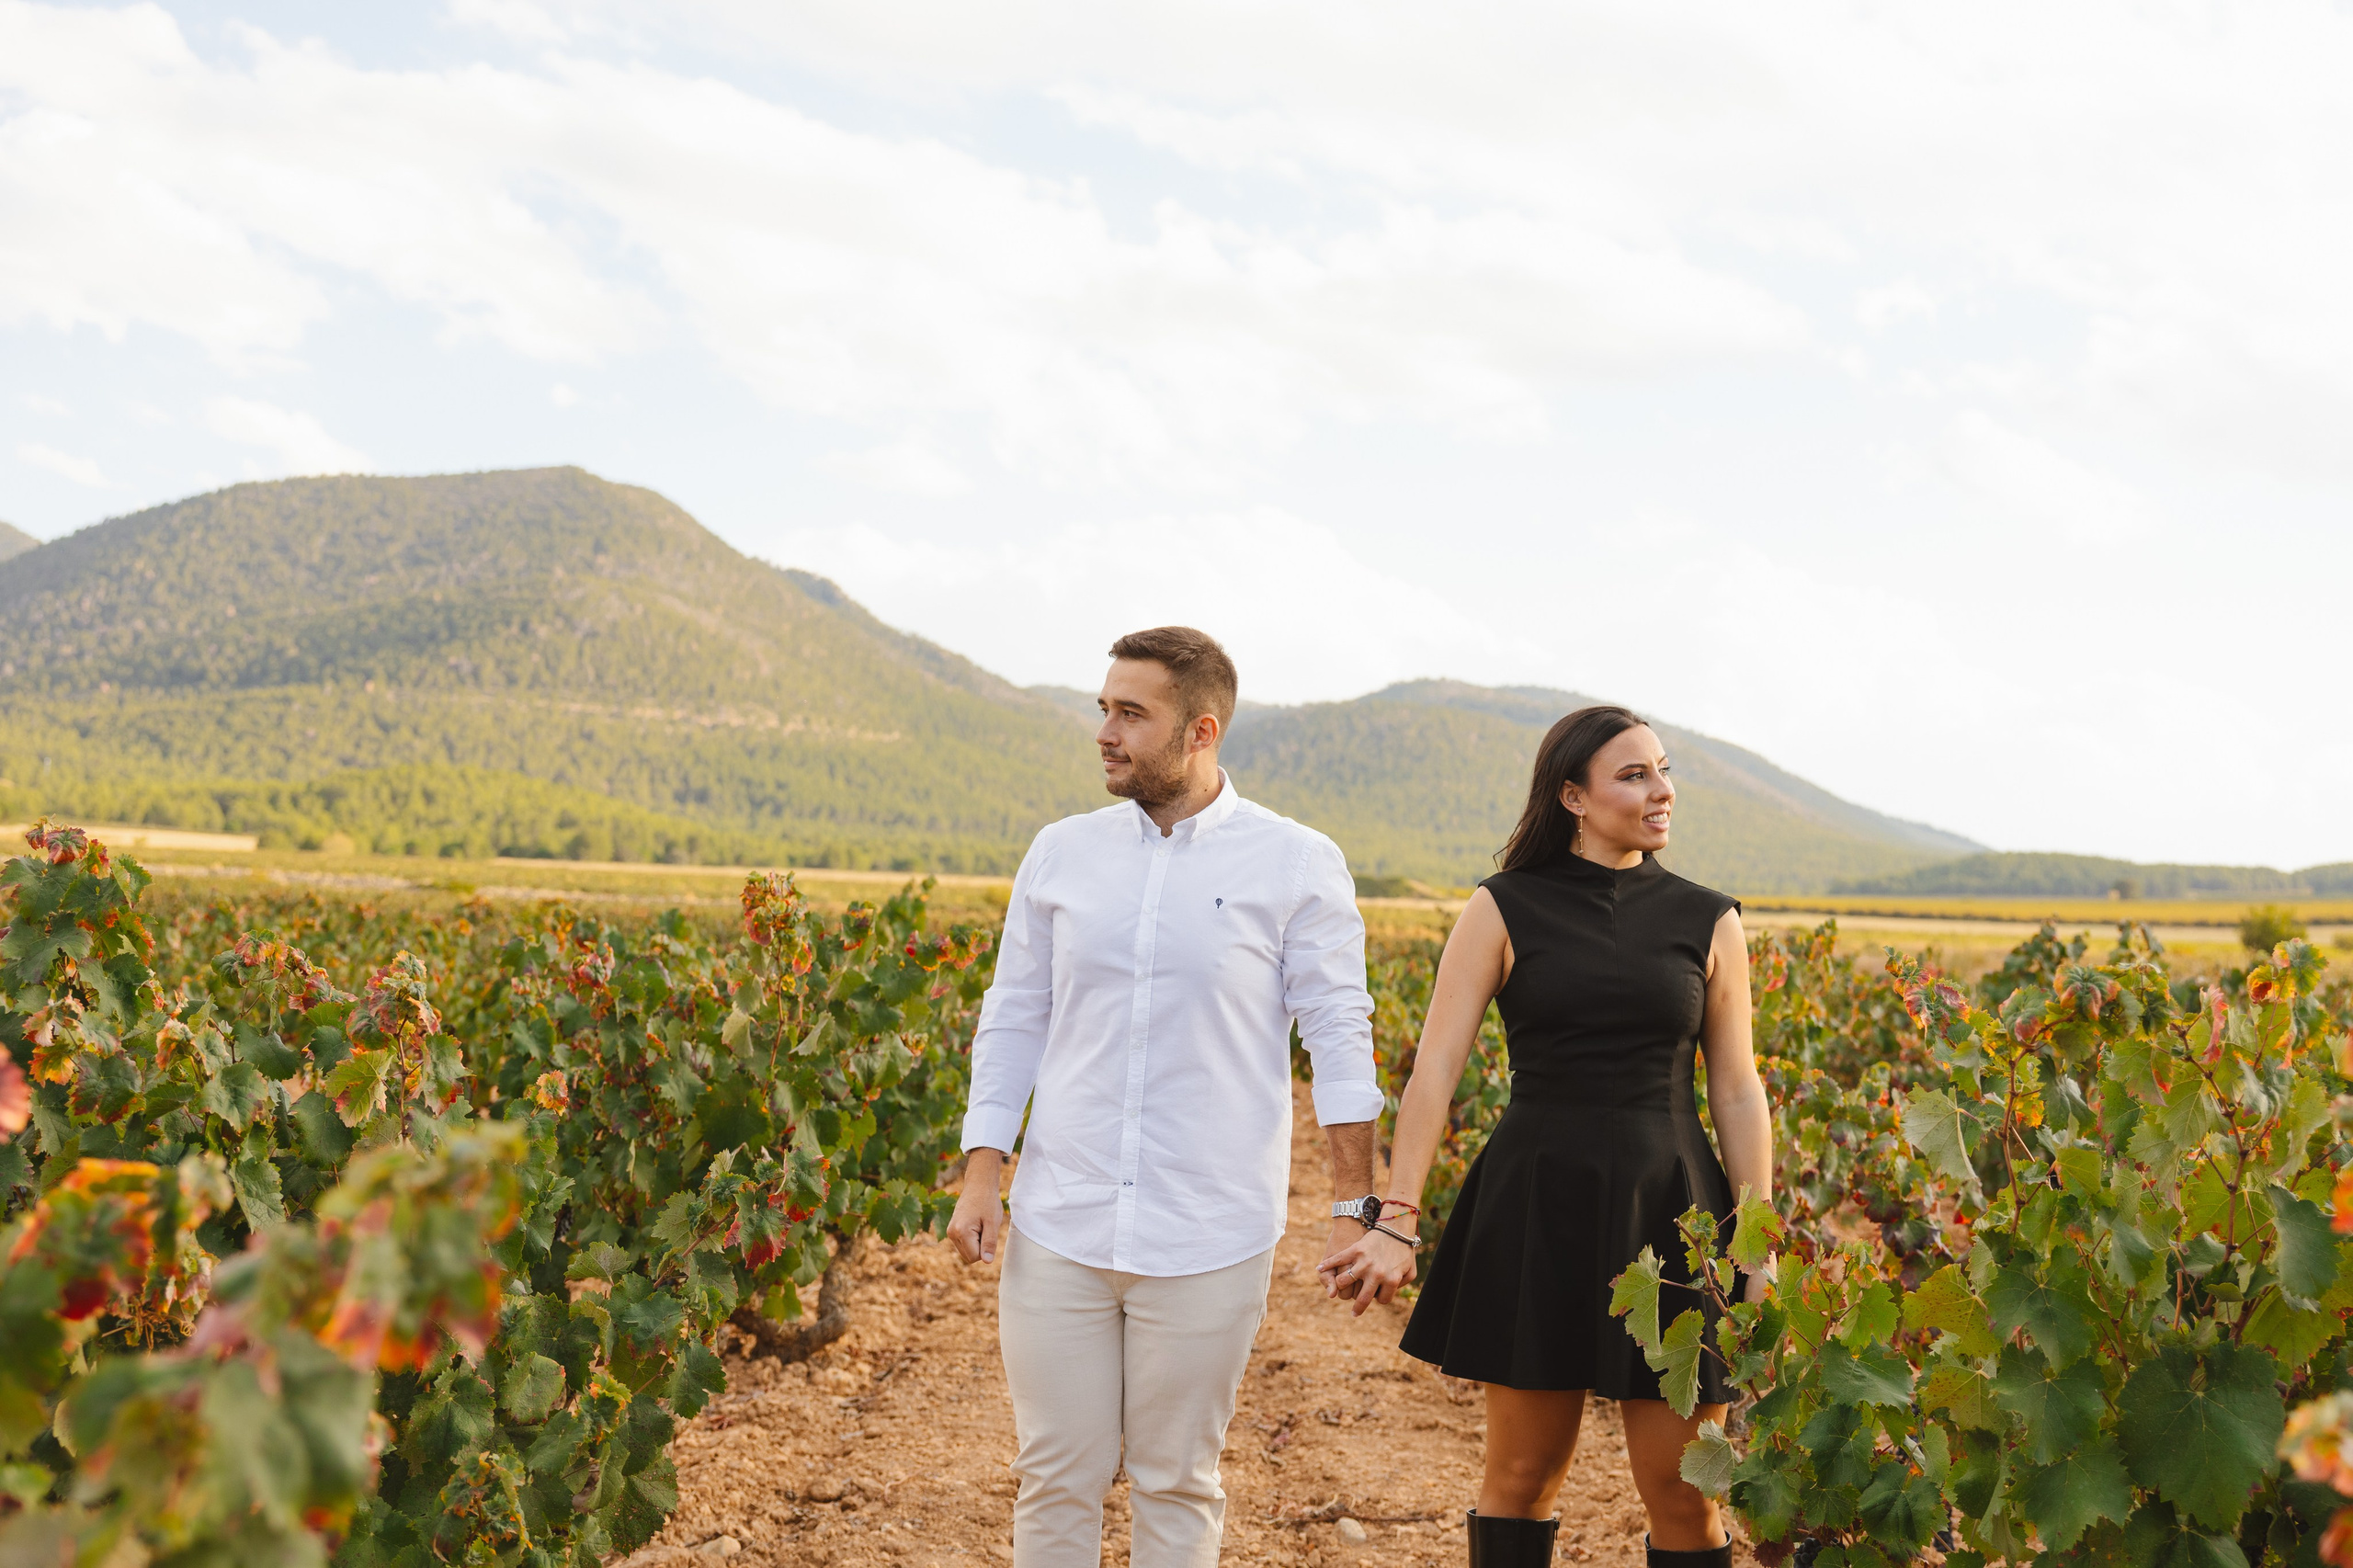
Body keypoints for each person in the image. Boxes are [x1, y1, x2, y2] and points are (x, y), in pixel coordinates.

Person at [946, 626, 1386, 1568]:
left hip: (1209, 1231)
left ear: (1200, 730)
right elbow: (1014, 1014)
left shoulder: (1295, 861)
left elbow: (1340, 1040)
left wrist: (1354, 1208)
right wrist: (983, 1170)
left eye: (1129, 714)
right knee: (1054, 1472)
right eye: (1103, 707)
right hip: (1061, 1219)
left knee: (1178, 1477)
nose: (1105, 730)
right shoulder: (1061, 854)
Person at [1318, 705, 1774, 1568]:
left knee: (1682, 1488)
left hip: (1672, 1210)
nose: (1661, 791)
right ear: (1572, 795)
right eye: (1633, 775)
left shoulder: (1710, 918)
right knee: (1522, 1477)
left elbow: (1738, 1090)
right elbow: (1435, 1071)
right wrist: (1397, 1214)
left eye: (1664, 771)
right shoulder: (1503, 907)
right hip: (1539, 1204)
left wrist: (1758, 1241)